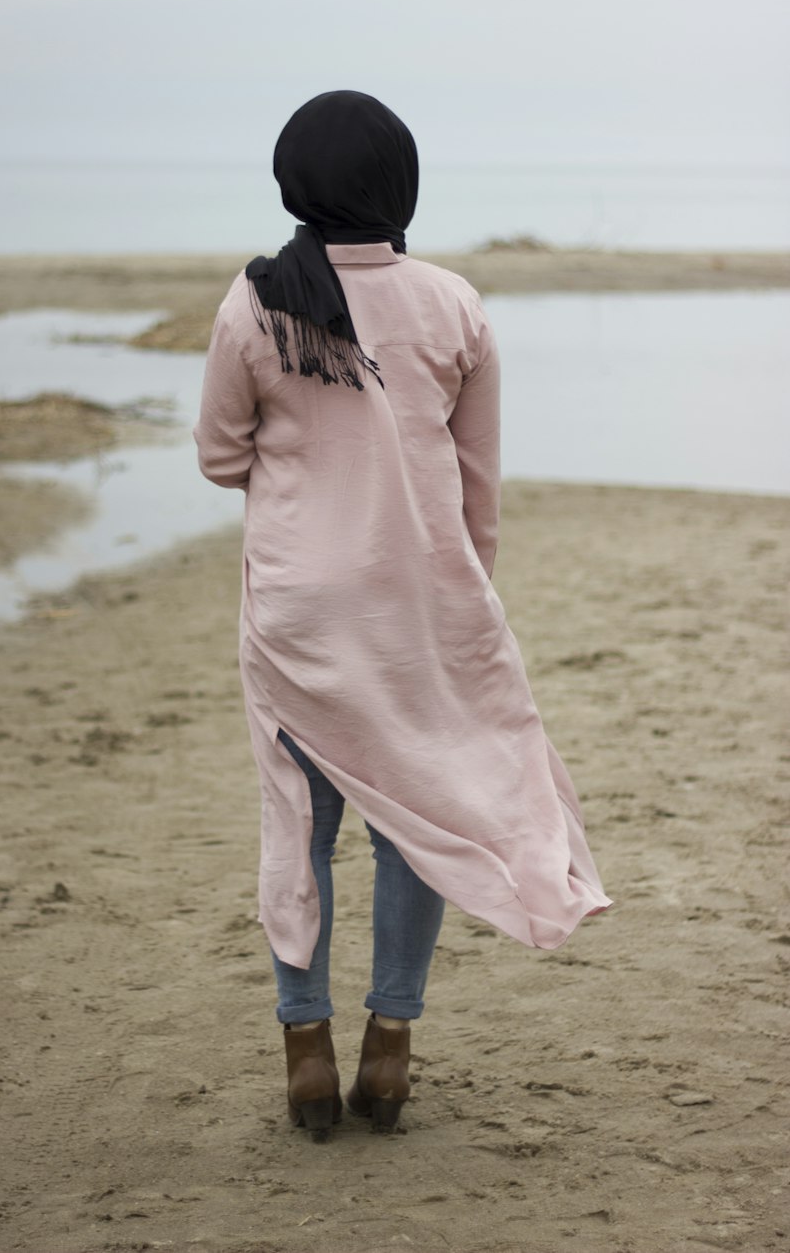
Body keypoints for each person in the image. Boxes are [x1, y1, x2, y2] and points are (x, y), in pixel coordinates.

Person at [194, 89, 610, 1141]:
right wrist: (464, 598)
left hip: (298, 609)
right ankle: (389, 1048)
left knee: (299, 821)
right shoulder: (452, 303)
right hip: (419, 602)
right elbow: (477, 483)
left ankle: (303, 1050)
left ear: (295, 180)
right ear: (399, 182)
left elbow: (216, 456)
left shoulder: (255, 303)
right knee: (414, 821)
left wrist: (299, 478)